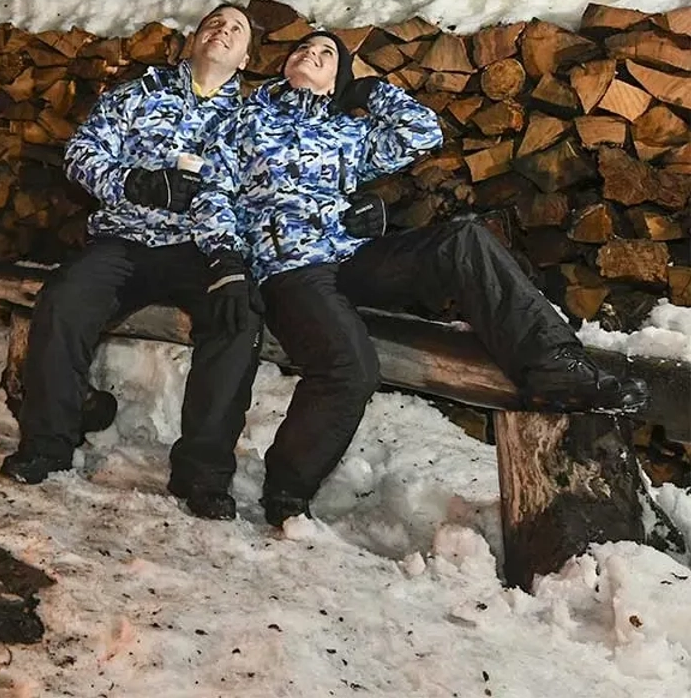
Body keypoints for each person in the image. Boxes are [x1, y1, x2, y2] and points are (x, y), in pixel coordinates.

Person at [235, 30, 652, 529]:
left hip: (348, 258)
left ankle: (554, 366)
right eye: (303, 49)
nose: (310, 54)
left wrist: (370, 96)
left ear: (334, 84)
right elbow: (214, 191)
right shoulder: (247, 118)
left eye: (327, 55)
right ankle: (287, 489)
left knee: (463, 242)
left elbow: (421, 132)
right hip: (288, 268)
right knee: (351, 368)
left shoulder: (345, 130)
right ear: (284, 66)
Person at [0, 3, 264, 521]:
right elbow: (81, 152)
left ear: (247, 56)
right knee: (63, 302)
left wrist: (230, 259)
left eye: (236, 30)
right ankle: (49, 444)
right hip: (125, 239)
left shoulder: (251, 119)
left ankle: (203, 473)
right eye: (214, 23)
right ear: (193, 39)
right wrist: (133, 182)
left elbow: (246, 194)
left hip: (200, 249)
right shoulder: (141, 93)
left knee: (239, 320)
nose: (222, 31)